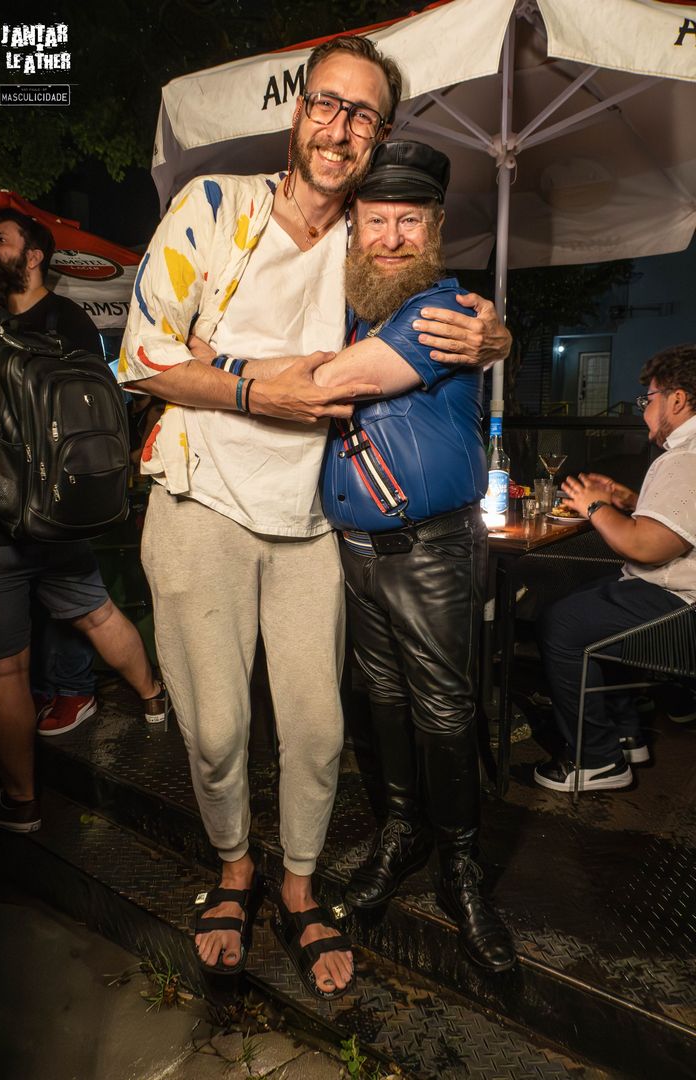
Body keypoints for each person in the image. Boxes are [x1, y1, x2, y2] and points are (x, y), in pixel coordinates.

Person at [120, 34, 511, 997]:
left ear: (380, 134)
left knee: (320, 733)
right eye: (328, 105)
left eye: (363, 114)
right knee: (217, 733)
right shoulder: (217, 207)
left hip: (309, 522)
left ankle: (296, 886)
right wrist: (259, 390)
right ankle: (233, 869)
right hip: (201, 498)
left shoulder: (365, 246)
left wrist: (495, 330)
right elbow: (141, 356)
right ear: (300, 112)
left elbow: (428, 315)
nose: (340, 128)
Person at [315, 140, 514, 973]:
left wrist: (498, 334)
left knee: (443, 712)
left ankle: (462, 867)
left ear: (432, 231)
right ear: (353, 230)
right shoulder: (347, 310)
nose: (391, 237)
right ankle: (402, 833)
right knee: (385, 701)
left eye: (409, 221)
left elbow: (331, 381)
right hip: (357, 552)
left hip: (430, 552)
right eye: (375, 221)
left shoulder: (445, 312)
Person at [0, 234, 167, 835]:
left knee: (3, 672)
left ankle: (21, 801)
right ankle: (154, 701)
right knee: (99, 612)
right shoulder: (34, 336)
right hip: (56, 515)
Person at [534, 344, 696, 793]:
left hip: (683, 607)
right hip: (675, 592)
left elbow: (646, 547)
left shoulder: (686, 457)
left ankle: (597, 759)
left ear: (677, 400)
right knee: (588, 598)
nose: (644, 411)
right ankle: (626, 734)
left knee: (563, 622)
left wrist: (594, 506)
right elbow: (678, 521)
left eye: (649, 398)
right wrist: (628, 500)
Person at [0, 208, 103, 736]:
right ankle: (30, 694)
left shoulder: (66, 319)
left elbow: (92, 406)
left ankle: (75, 688)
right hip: (5, 494)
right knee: (29, 604)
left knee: (76, 601)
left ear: (32, 256)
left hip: (58, 488)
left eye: (0, 239)